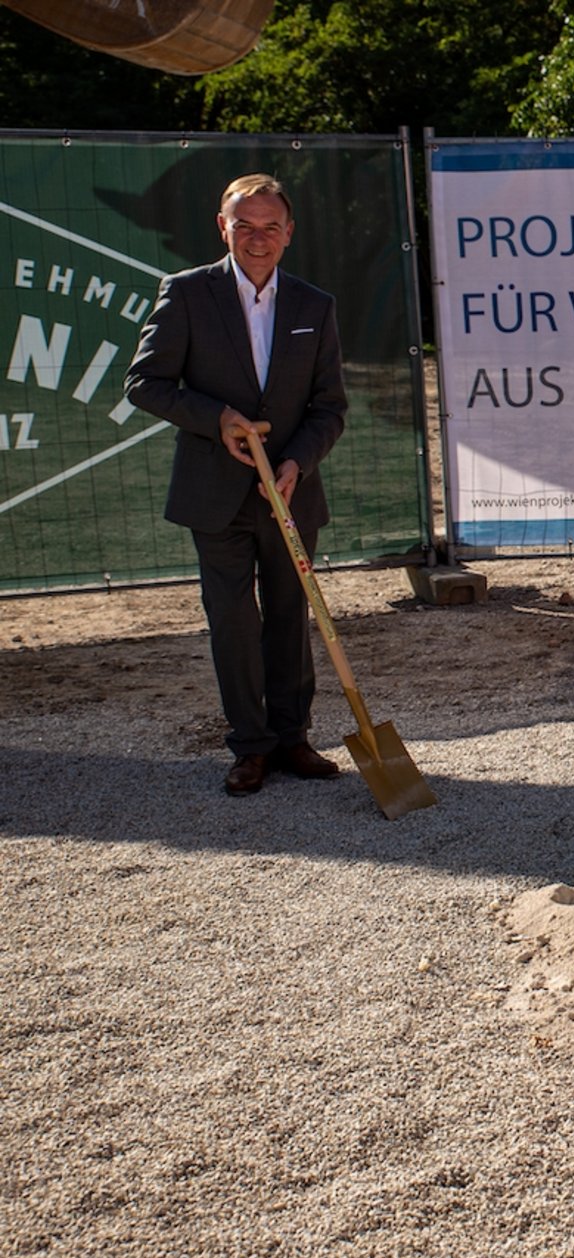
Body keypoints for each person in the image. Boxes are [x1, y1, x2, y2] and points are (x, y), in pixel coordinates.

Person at [126, 174, 348, 795]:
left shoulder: (314, 305)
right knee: (232, 622)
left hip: (290, 493)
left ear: (289, 233)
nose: (257, 238)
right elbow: (143, 382)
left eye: (269, 227)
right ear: (223, 228)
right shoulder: (187, 294)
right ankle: (250, 747)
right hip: (213, 493)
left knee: (287, 615)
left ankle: (292, 739)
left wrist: (297, 463)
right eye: (244, 226)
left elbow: (329, 407)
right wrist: (216, 418)